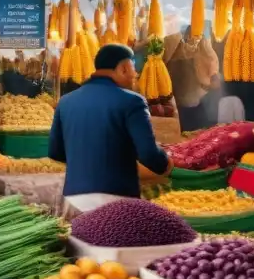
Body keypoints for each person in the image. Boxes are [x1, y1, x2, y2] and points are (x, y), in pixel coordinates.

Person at [49, 43, 171, 198]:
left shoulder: (65, 101)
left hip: (74, 197)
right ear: (124, 68)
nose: (135, 74)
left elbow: (55, 152)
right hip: (116, 197)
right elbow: (148, 154)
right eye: (133, 68)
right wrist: (166, 165)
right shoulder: (132, 101)